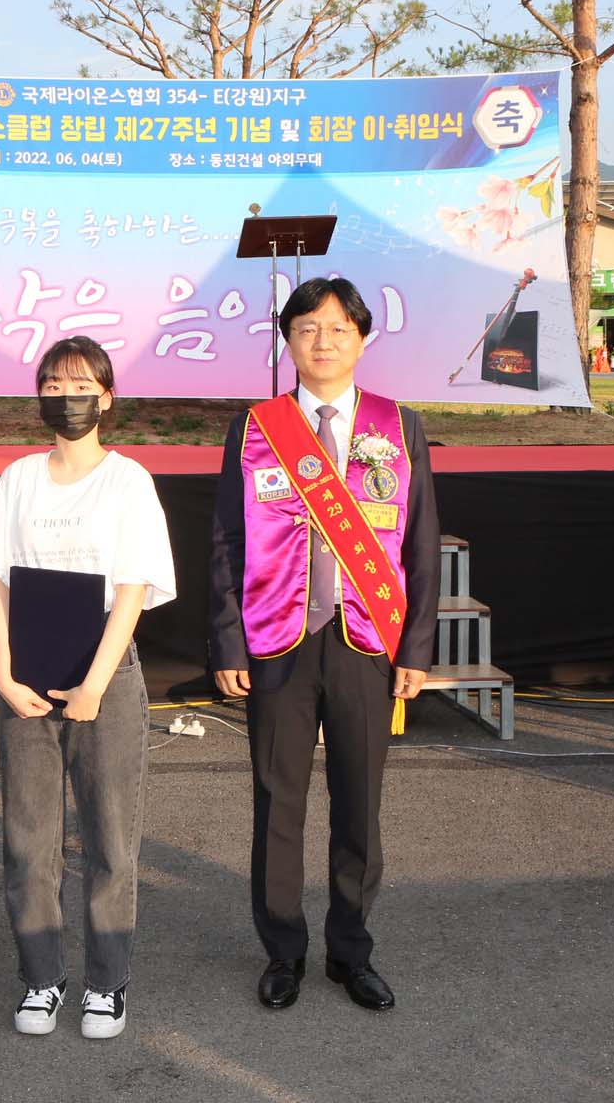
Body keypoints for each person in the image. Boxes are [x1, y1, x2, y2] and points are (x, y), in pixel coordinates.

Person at [208, 277, 440, 1014]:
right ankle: (283, 949)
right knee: (278, 801)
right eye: (308, 328)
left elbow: (421, 542)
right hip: (277, 639)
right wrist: (228, 643)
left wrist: (416, 648)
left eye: (339, 328)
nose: (324, 341)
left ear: (363, 338)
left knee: (359, 803)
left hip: (367, 641)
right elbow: (227, 539)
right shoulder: (256, 427)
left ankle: (351, 951)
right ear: (288, 340)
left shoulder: (398, 425)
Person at [0, 336, 176, 1040]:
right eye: (54, 386)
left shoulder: (128, 481)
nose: (67, 398)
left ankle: (107, 984)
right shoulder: (19, 478)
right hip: (25, 683)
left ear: (107, 398)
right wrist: (2, 674)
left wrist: (93, 685)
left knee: (111, 839)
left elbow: (133, 590)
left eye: (81, 386)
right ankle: (41, 978)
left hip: (104, 683)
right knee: (30, 841)